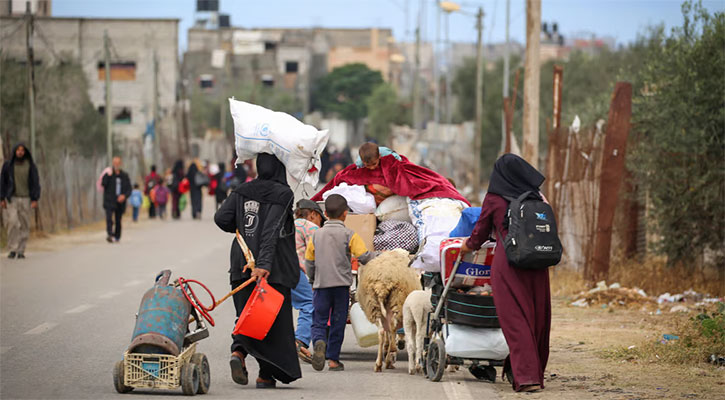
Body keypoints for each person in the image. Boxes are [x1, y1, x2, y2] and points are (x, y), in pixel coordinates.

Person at [461, 154, 551, 393]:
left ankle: (527, 377)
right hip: (538, 265)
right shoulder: (536, 196)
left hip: (509, 265)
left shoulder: (494, 198)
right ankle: (528, 371)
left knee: (515, 320)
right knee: (536, 318)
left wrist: (466, 246)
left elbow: (479, 233)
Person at [214, 153, 302, 389]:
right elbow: (271, 230)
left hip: (241, 263)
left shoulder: (243, 190)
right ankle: (265, 375)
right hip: (269, 269)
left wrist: (242, 224)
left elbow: (221, 218)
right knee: (271, 321)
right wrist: (263, 265)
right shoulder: (283, 194)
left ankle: (239, 354)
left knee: (247, 315)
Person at [305, 194, 375, 372]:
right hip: (341, 287)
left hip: (321, 286)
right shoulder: (349, 234)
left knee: (319, 320)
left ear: (325, 213)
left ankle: (319, 342)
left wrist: (313, 280)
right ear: (345, 214)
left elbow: (309, 261)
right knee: (337, 322)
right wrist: (383, 257)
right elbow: (364, 257)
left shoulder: (316, 235)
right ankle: (333, 360)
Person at [292, 199, 326, 363]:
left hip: (275, 270)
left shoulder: (288, 225)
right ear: (313, 214)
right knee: (309, 304)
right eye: (320, 218)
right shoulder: (310, 227)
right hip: (296, 272)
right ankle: (300, 341)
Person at [0, 143, 40, 259]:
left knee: (24, 224)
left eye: (22, 150)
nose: (20, 152)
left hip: (26, 199)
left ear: (25, 152)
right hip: (12, 198)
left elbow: (35, 183)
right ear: (15, 151)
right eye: (18, 150)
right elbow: (3, 182)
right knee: (12, 222)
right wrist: (2, 198)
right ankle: (12, 248)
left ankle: (21, 249)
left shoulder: (31, 166)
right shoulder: (8, 166)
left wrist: (35, 198)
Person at [101, 156, 132, 243]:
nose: (116, 165)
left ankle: (117, 236)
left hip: (120, 201)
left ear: (120, 164)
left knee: (118, 219)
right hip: (109, 200)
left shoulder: (124, 176)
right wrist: (108, 176)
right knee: (109, 218)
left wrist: (124, 196)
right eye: (114, 163)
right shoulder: (108, 174)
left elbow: (129, 189)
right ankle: (110, 235)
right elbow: (103, 184)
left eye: (118, 163)